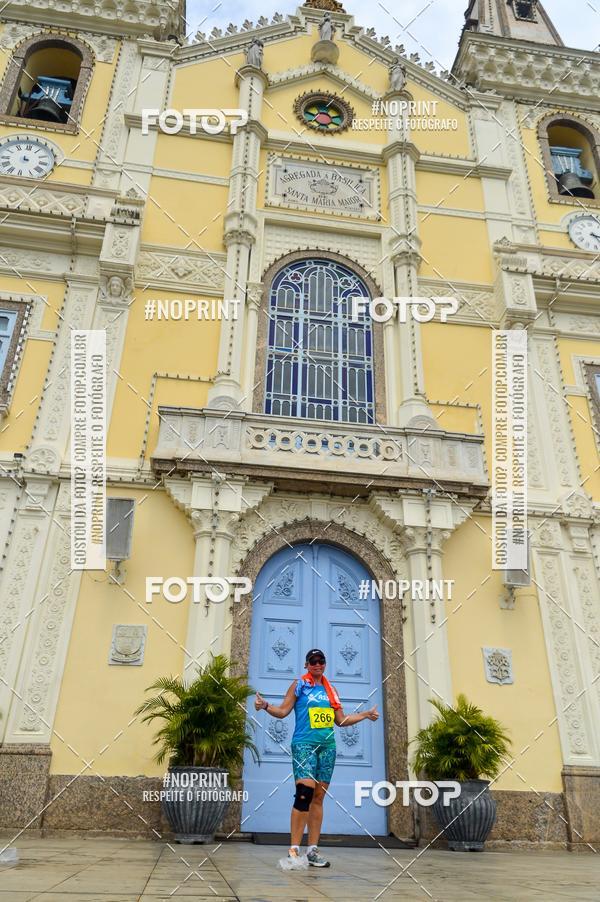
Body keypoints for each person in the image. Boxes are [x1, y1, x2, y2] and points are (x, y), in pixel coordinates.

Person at [254, 647, 379, 868]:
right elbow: (283, 711)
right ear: (306, 665)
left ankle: (312, 851)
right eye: (313, 661)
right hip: (304, 745)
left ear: (325, 664)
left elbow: (340, 720)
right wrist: (265, 706)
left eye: (321, 661)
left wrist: (365, 715)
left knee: (318, 797)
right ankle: (294, 849)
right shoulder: (299, 685)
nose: (317, 664)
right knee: (304, 793)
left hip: (327, 748)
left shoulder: (330, 689)